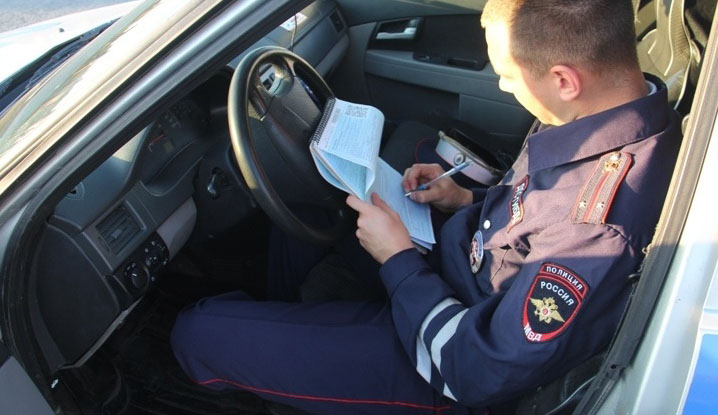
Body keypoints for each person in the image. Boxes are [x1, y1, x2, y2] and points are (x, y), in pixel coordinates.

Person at [170, 0, 682, 413]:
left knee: (197, 333)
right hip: (454, 269)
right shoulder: (601, 114)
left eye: (507, 75)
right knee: (319, 198)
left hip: (445, 362)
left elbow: (476, 372)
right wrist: (466, 199)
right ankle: (290, 333)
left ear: (565, 79)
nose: (503, 85)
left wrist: (398, 260)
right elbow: (535, 218)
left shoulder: (595, 232)